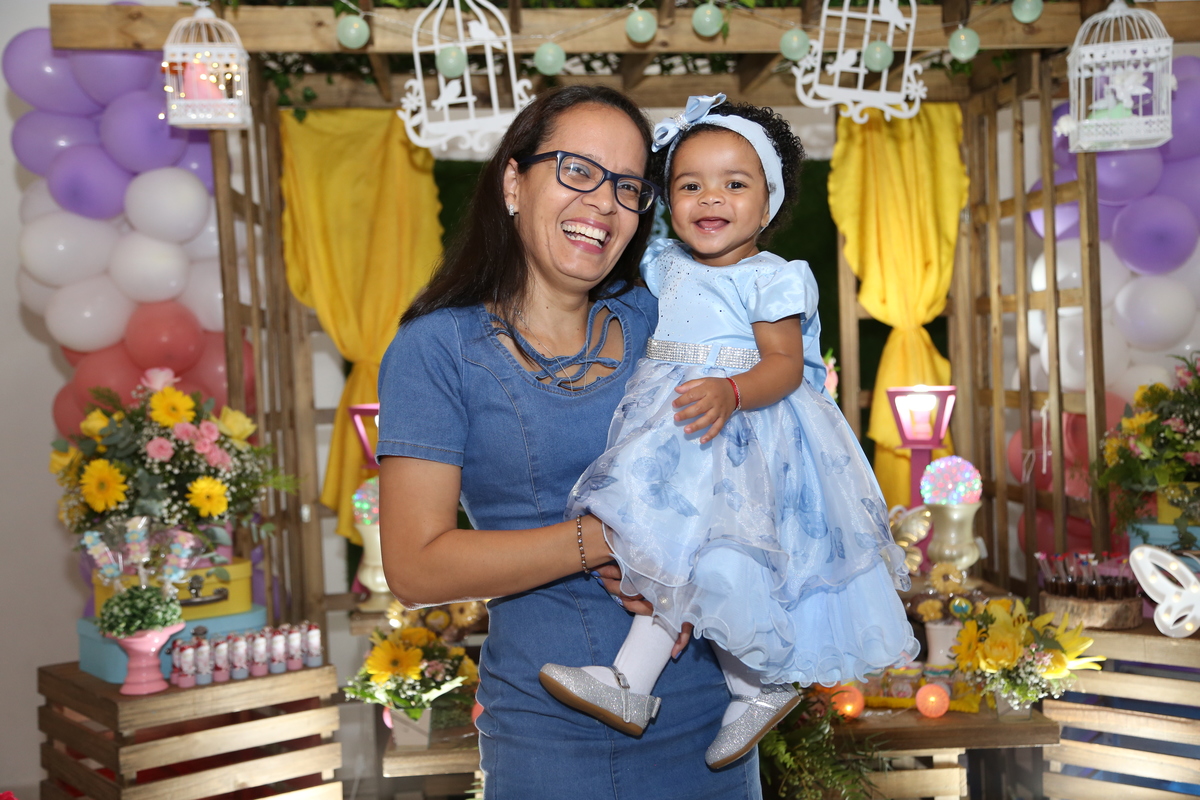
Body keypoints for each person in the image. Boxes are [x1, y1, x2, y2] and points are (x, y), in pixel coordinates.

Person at [377, 85, 764, 799]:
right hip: (552, 732)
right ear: (513, 183)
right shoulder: (437, 350)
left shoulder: (665, 321)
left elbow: (757, 460)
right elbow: (415, 567)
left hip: (708, 720)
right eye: (577, 170)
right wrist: (608, 539)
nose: (603, 203)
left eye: (627, 186)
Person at [543, 95, 919, 769]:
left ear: (769, 202)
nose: (710, 198)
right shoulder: (665, 263)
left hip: (739, 436)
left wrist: (733, 389)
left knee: (725, 561)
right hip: (677, 435)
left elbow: (785, 366)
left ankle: (753, 684)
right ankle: (634, 682)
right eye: (689, 185)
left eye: (735, 184)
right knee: (668, 556)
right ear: (667, 201)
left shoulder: (769, 277)